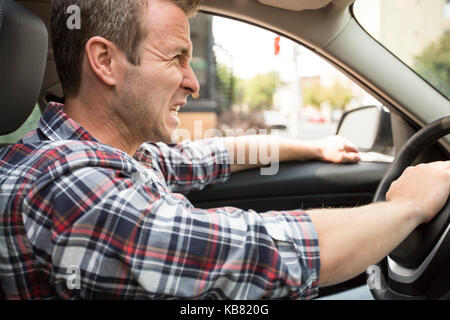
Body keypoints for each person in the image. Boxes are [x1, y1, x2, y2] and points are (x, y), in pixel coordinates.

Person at [0, 0, 448, 300]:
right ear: (104, 62)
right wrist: (407, 207)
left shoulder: (115, 155)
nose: (193, 82)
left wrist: (316, 148)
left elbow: (216, 155)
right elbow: (254, 253)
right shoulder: (66, 184)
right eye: (175, 58)